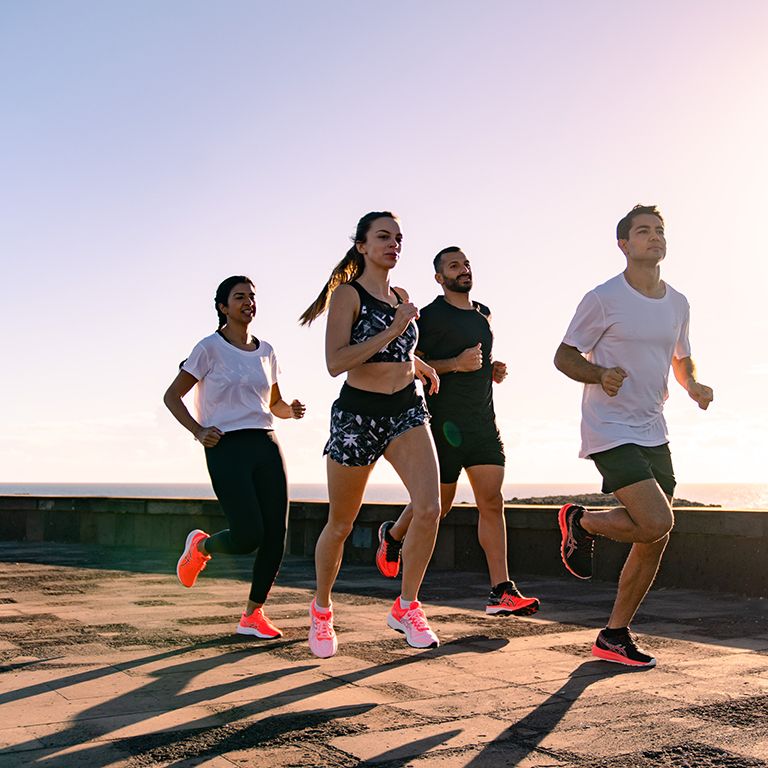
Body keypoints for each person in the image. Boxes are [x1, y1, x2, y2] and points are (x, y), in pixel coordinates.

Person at [554, 205, 713, 667]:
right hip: (609, 427)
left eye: (659, 230)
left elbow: (681, 356)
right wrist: (598, 373)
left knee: (654, 536)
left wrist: (692, 384)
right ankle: (581, 521)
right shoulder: (603, 298)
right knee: (658, 520)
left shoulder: (678, 302)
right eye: (643, 231)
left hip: (653, 426)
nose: (654, 236)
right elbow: (564, 356)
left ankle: (614, 634)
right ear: (623, 244)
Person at [299, 211, 442, 658]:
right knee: (341, 524)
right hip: (358, 416)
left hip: (405, 411)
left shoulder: (401, 295)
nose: (393, 244)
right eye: (383, 237)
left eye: (398, 238)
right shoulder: (348, 295)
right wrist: (396, 327)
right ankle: (322, 610)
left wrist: (418, 363)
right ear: (362, 245)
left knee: (430, 507)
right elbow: (336, 361)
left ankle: (407, 606)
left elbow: (398, 349)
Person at [374, 247, 540, 617]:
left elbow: (478, 358)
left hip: (483, 423)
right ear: (439, 277)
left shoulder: (484, 313)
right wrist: (455, 364)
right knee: (440, 505)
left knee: (492, 501)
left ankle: (501, 590)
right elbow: (409, 363)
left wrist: (492, 369)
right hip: (444, 425)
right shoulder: (429, 317)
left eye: (466, 263)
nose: (463, 269)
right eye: (454, 266)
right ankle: (393, 535)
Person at [164, 275, 305, 639]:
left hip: (266, 443)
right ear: (223, 307)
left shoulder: (266, 351)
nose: (248, 302)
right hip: (226, 447)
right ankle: (201, 546)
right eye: (239, 297)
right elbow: (172, 396)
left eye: (252, 296)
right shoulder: (208, 348)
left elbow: (274, 403)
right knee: (248, 535)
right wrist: (198, 431)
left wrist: (290, 410)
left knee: (276, 535)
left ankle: (252, 615)